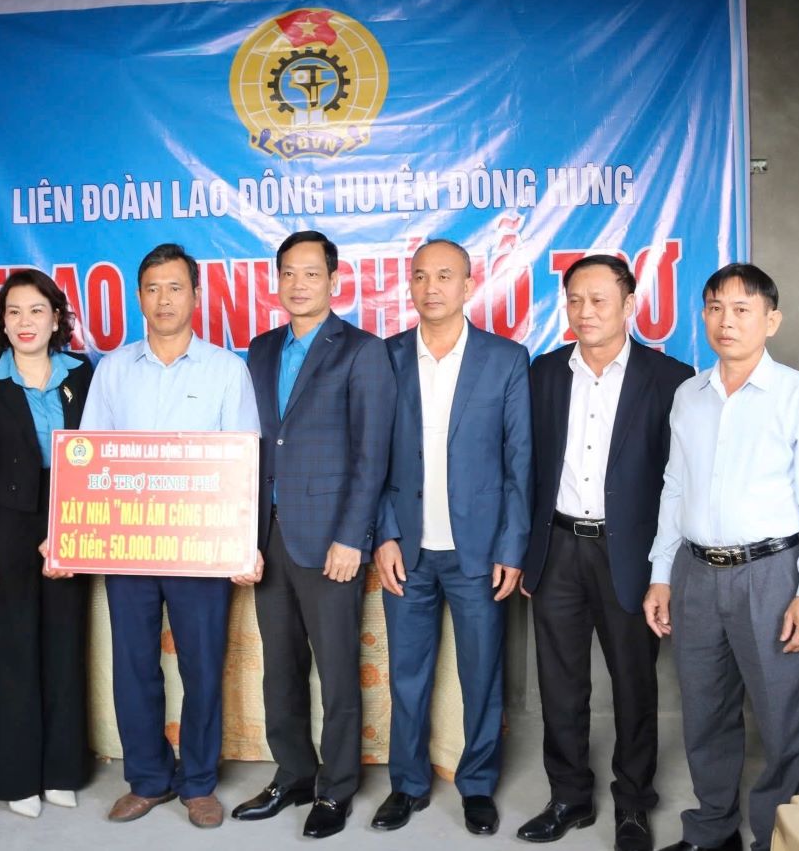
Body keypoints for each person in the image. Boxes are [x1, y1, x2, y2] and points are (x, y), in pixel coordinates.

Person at [643, 263, 799, 851]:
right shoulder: (689, 395)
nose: (726, 321)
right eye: (714, 308)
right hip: (697, 574)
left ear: (771, 320)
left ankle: (778, 837)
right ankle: (710, 830)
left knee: (782, 720)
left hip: (772, 575)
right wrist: (661, 575)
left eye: (742, 309)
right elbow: (673, 489)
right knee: (705, 713)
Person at [516, 255, 693, 851]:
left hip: (631, 556)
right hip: (558, 548)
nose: (585, 312)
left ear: (629, 304)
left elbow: (679, 484)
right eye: (574, 301)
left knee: (634, 684)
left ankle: (634, 805)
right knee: (560, 684)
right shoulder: (543, 375)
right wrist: (524, 552)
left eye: (598, 300)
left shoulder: (670, 379)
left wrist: (664, 571)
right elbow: (524, 470)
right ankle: (567, 796)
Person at [80, 243, 260, 830]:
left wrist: (243, 543)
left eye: (175, 287)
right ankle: (148, 778)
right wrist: (72, 535)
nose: (164, 299)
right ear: (139, 297)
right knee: (133, 665)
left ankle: (199, 782)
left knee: (204, 666)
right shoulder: (112, 368)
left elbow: (245, 462)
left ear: (196, 296)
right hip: (129, 545)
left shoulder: (226, 369)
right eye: (153, 288)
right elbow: (90, 458)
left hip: (202, 549)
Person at [234, 230, 395, 840]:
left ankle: (336, 789)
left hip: (330, 538)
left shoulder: (361, 350)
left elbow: (371, 454)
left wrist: (352, 536)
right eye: (287, 274)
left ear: (333, 280)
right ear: (275, 282)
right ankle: (294, 773)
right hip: (267, 535)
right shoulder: (261, 348)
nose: (298, 285)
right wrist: (239, 533)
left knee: (334, 666)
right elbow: (253, 443)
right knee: (281, 666)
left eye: (310, 274)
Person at [369, 238, 531, 837]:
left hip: (478, 554)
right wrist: (383, 536)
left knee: (481, 674)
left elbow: (521, 465)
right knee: (407, 676)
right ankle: (407, 785)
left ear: (469, 285)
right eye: (419, 276)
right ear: (408, 286)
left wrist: (512, 548)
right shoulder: (383, 358)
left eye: (445, 276)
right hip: (405, 552)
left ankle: (478, 785)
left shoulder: (505, 360)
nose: (431, 286)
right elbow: (374, 461)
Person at [0, 269, 94, 819]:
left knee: (63, 644)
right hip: (4, 525)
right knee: (10, 650)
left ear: (56, 318)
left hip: (68, 517)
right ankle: (15, 778)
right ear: (2, 323)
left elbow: (100, 453)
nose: (25, 321)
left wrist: (75, 528)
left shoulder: (82, 375)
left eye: (37, 310)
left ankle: (61, 770)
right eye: (14, 312)